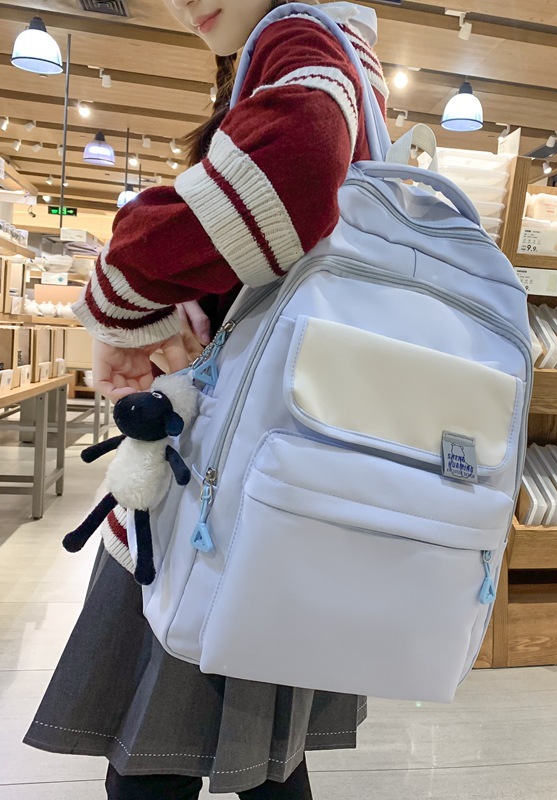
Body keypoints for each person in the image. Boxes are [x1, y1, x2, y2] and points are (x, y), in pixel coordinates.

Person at [23, 1, 389, 797]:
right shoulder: (341, 57)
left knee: (153, 767)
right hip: (278, 474)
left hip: (221, 488)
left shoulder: (297, 39)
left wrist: (123, 289)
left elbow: (290, 180)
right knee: (260, 759)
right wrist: (188, 306)